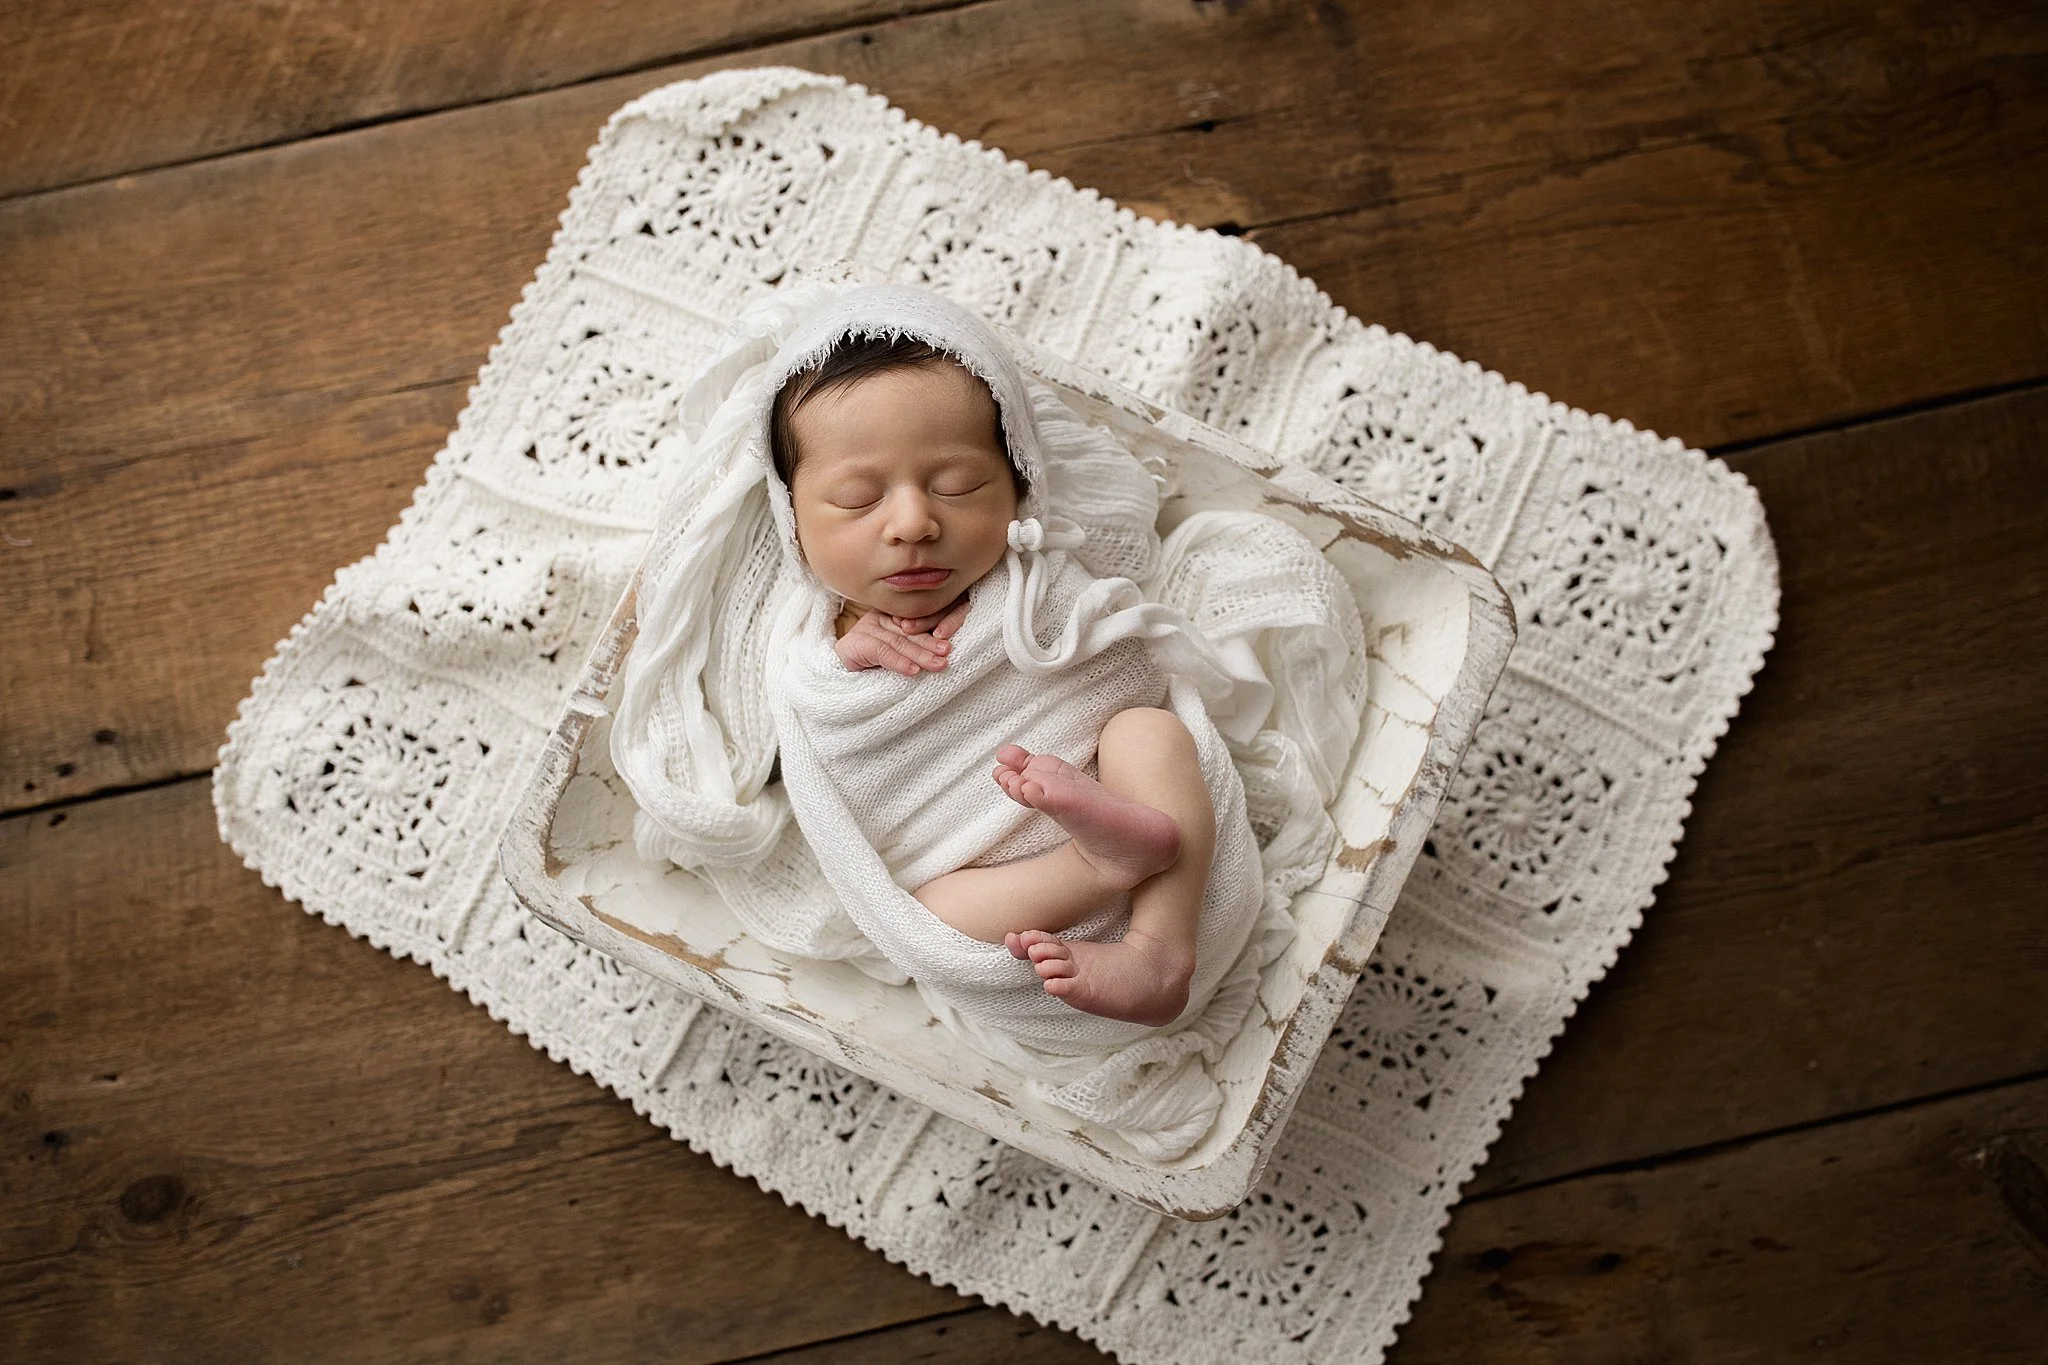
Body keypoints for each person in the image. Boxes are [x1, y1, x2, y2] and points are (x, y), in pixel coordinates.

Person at [768, 332, 1218, 1028]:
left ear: (1018, 488)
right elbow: (813, 734)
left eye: (958, 486)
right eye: (858, 499)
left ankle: (1160, 948)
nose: (914, 521)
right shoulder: (810, 643)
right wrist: (843, 657)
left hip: (1111, 792)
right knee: (934, 912)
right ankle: (1098, 865)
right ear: (792, 521)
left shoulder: (1038, 587)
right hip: (992, 877)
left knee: (1150, 731)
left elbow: (1125, 670)